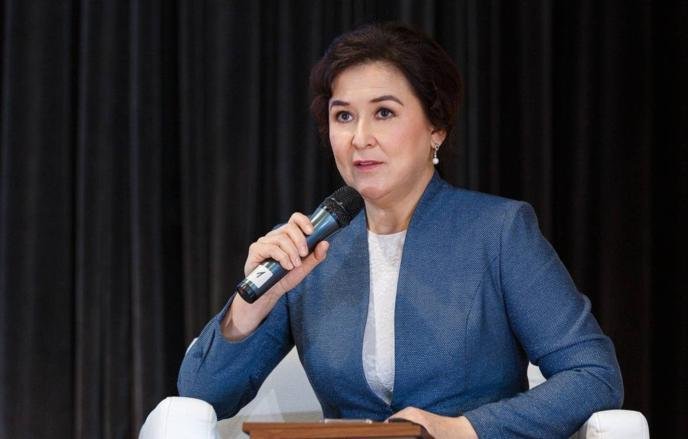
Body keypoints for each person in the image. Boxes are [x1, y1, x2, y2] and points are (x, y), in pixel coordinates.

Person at [178, 22, 623, 438]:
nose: (360, 138)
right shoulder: (307, 246)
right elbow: (200, 395)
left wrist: (461, 429)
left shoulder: (498, 232)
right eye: (343, 116)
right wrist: (253, 305)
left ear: (436, 127)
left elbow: (594, 375)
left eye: (384, 113)